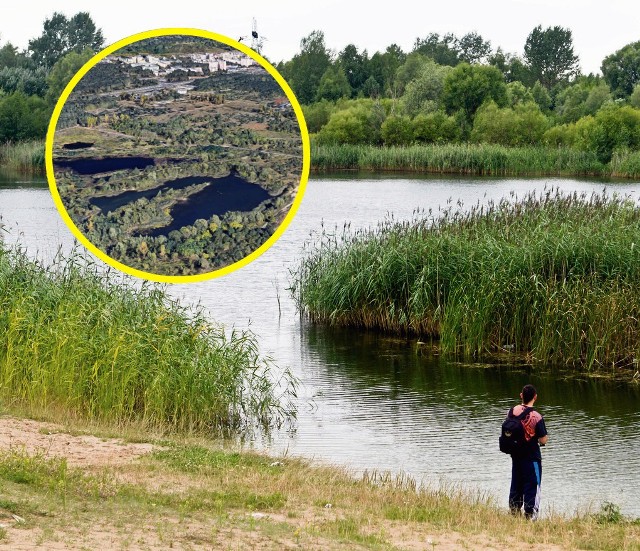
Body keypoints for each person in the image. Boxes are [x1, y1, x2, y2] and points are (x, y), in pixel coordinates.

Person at [506, 384, 548, 520]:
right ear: (535, 397)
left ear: (521, 395)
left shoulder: (512, 411)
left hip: (516, 455)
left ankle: (514, 512)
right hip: (532, 457)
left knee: (516, 483)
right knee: (532, 486)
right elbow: (543, 440)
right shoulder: (537, 416)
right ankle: (530, 516)